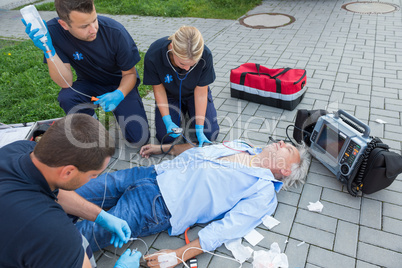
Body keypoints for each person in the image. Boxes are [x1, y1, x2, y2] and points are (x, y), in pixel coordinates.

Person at [74, 139, 310, 266]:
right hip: (151, 173)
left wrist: (179, 255)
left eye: (287, 148)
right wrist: (162, 148)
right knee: (75, 192)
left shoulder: (263, 193)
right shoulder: (243, 146)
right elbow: (199, 151)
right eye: (283, 142)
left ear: (285, 170)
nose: (280, 142)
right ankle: (38, 208)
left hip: (157, 206)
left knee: (80, 237)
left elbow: (226, 229)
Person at [0, 114, 141, 268]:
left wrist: (100, 216)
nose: (94, 179)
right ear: (68, 172)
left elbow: (54, 190)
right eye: (93, 174)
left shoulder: (20, 150)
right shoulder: (54, 233)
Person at [22, 0, 150, 146]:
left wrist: (119, 94)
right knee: (67, 96)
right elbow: (65, 82)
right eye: (84, 26)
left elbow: (130, 74)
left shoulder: (114, 32)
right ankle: (91, 127)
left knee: (139, 139)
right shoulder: (52, 32)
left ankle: (120, 108)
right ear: (64, 25)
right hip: (89, 83)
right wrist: (48, 50)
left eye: (94, 20)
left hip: (120, 84)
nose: (93, 29)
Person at [143, 26, 220, 146]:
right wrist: (167, 121)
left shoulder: (205, 54)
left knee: (210, 133)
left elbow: (201, 93)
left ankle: (189, 110)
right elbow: (158, 91)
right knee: (165, 137)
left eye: (192, 64)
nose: (187, 69)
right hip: (169, 95)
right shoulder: (154, 54)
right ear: (172, 48)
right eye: (182, 63)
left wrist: (199, 128)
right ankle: (180, 112)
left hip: (194, 94)